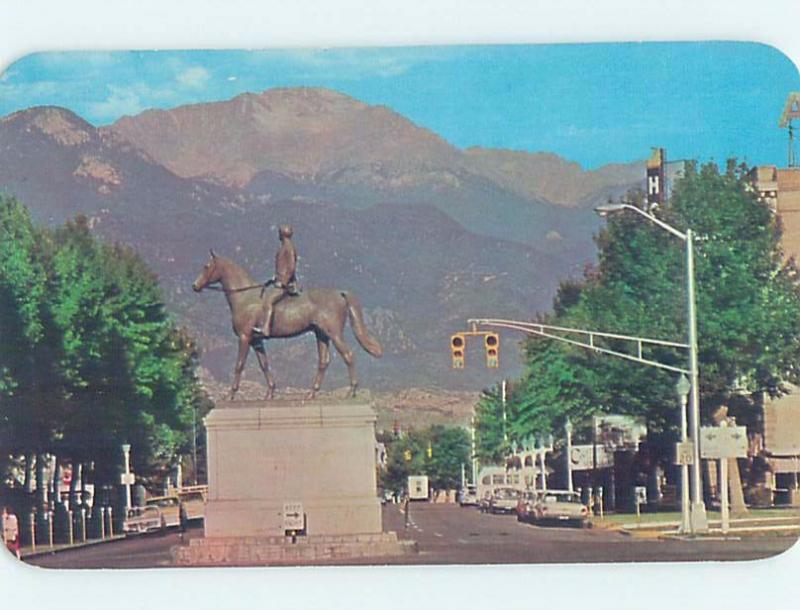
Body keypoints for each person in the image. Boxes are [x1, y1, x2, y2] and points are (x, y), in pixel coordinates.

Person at [255, 224, 299, 337]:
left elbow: (291, 268)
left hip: (285, 285)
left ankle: (265, 328)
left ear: (282, 234)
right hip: (279, 281)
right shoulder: (285, 247)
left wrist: (283, 283)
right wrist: (274, 279)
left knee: (268, 301)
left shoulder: (288, 248)